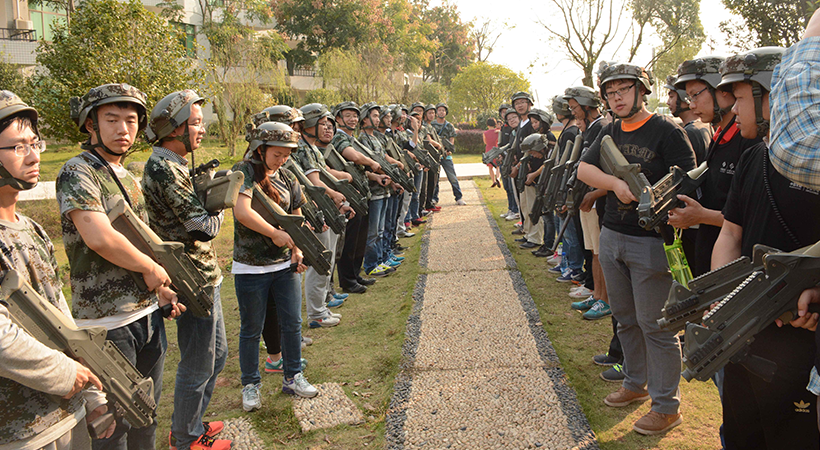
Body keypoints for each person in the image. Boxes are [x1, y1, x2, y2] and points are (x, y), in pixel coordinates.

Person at [56, 84, 183, 450]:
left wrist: (159, 286)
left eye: (130, 120)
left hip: (145, 315)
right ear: (91, 125)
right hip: (106, 324)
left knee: (146, 416)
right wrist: (150, 268)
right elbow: (98, 236)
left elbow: (140, 239)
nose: (122, 129)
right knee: (115, 429)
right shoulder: (77, 171)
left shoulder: (126, 175)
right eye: (111, 119)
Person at [710, 47, 820, 450]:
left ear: (772, 95)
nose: (733, 110)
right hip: (744, 338)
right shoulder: (752, 156)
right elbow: (730, 234)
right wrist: (722, 296)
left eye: (739, 98)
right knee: (741, 436)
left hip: (802, 351)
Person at [578, 63, 696, 435]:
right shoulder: (610, 129)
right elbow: (583, 169)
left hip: (650, 241)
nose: (617, 97)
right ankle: (635, 384)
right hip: (613, 234)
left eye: (624, 89)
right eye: (611, 92)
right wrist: (615, 184)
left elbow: (688, 180)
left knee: (656, 326)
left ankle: (666, 407)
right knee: (625, 319)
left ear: (642, 90)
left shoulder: (666, 130)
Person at [0, 91, 108, 450]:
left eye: (35, 143)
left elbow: (60, 318)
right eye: (18, 148)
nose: (34, 156)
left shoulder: (32, 229)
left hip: (67, 416)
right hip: (20, 432)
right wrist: (66, 375)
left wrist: (89, 397)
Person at [141, 91, 230, 450]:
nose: (202, 129)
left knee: (218, 355)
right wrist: (222, 203)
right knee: (198, 361)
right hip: (190, 277)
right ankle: (186, 438)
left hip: (205, 272)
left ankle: (189, 424)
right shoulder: (163, 167)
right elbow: (201, 227)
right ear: (173, 129)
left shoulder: (175, 165)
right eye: (195, 122)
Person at [232, 121, 320, 413]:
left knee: (292, 323)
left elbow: (295, 219)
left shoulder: (287, 177)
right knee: (251, 329)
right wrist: (273, 233)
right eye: (277, 154)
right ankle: (250, 385)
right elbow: (242, 212)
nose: (282, 159)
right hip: (250, 267)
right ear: (261, 149)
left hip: (283, 266)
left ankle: (293, 376)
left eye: (286, 154)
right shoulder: (244, 172)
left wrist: (296, 249)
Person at [666, 56, 761, 278]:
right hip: (709, 254)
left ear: (723, 90)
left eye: (696, 94)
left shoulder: (751, 142)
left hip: (736, 265)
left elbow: (751, 218)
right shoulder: (719, 136)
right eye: (688, 97)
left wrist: (701, 216)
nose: (692, 105)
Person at [331, 101, 381, 294]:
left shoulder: (353, 139)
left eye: (355, 115)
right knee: (350, 240)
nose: (352, 119)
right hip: (349, 194)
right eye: (348, 115)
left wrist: (374, 174)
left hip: (361, 193)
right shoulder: (339, 138)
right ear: (338, 118)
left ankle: (355, 273)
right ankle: (347, 279)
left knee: (360, 239)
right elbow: (354, 157)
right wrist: (373, 163)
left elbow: (359, 169)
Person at [664, 74, 712, 164]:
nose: (668, 102)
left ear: (683, 98)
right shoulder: (704, 125)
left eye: (671, 97)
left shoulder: (689, 133)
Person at [431, 102, 465, 205]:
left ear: (446, 112)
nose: (441, 112)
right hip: (434, 154)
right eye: (439, 110)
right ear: (436, 112)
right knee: (434, 178)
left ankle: (458, 197)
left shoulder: (449, 125)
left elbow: (451, 138)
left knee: (452, 177)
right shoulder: (431, 125)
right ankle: (434, 198)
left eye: (443, 110)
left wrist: (449, 149)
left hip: (446, 154)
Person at [483, 117, 501, 187]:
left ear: (487, 124)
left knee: (490, 167)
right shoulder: (498, 132)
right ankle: (498, 178)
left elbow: (485, 142)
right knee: (498, 166)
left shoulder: (485, 133)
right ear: (495, 124)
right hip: (496, 149)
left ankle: (493, 181)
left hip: (488, 149)